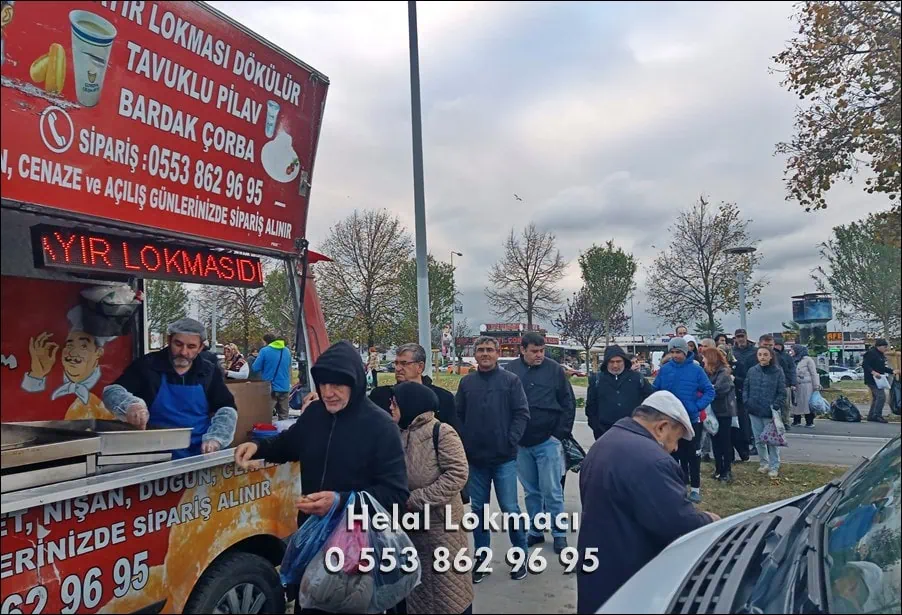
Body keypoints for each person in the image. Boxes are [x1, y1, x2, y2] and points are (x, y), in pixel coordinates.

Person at [576, 391, 719, 613]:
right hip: (629, 574)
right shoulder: (653, 461)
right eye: (677, 438)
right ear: (661, 428)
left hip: (599, 565)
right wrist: (709, 520)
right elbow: (676, 524)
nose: (675, 448)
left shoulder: (607, 441)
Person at [388, 382, 473, 615]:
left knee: (448, 592)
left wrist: (415, 499)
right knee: (417, 592)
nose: (391, 407)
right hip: (409, 529)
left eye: (395, 403)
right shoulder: (398, 432)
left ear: (411, 404)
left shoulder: (441, 432)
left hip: (440, 528)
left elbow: (457, 474)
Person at [103, 318, 237, 458]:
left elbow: (226, 408)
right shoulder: (147, 366)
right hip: (155, 453)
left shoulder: (208, 371)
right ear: (169, 340)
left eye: (191, 347)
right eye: (178, 344)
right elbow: (113, 391)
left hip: (200, 453)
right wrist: (130, 405)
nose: (183, 352)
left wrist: (216, 439)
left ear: (200, 348)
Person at [455, 336, 530, 582]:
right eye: (480, 350)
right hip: (476, 461)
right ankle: (483, 559)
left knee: (510, 509)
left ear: (498, 354)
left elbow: (521, 413)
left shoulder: (511, 381)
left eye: (489, 350)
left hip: (504, 459)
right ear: (474, 355)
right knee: (479, 511)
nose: (485, 353)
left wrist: (511, 439)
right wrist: (466, 444)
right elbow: (458, 417)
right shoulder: (466, 383)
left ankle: (520, 556)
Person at [505, 332, 575, 554]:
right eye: (534, 351)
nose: (539, 355)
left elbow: (568, 402)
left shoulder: (554, 370)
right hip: (521, 443)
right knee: (531, 492)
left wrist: (559, 435)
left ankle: (559, 534)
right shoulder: (510, 371)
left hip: (548, 441)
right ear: (522, 350)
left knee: (552, 490)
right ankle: (536, 530)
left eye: (542, 350)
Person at [22, 305, 117, 420]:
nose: (72, 352)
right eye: (69, 345)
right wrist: (36, 374)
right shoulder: (48, 378)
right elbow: (25, 412)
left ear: (98, 352)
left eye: (83, 346)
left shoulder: (108, 384)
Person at [653, 337, 715, 503]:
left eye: (678, 352)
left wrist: (696, 406)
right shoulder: (665, 370)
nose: (675, 355)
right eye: (672, 352)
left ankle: (695, 488)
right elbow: (655, 390)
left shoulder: (696, 370)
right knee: (672, 455)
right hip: (669, 421)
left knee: (692, 455)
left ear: (686, 352)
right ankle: (676, 487)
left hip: (690, 420)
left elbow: (709, 391)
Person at [369, 343, 458, 429]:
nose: (398, 368)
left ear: (420, 367)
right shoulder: (381, 396)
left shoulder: (443, 398)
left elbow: (455, 436)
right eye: (396, 363)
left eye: (404, 363)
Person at [585, 345, 654, 440]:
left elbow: (650, 403)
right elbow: (591, 407)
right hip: (605, 433)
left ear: (624, 361)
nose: (615, 365)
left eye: (618, 361)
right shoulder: (597, 380)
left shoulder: (637, 379)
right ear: (606, 362)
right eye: (611, 362)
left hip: (634, 432)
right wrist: (596, 427)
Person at [743, 346, 786, 478]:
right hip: (754, 409)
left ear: (771, 356)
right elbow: (746, 387)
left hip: (769, 412)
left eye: (765, 354)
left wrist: (776, 405)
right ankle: (764, 463)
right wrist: (747, 401)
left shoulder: (777, 372)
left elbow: (782, 392)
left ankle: (774, 465)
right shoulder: (752, 371)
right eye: (760, 354)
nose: (762, 357)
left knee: (772, 440)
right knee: (758, 439)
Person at [700, 347, 737, 482]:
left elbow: (718, 390)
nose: (702, 360)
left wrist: (706, 390)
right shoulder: (707, 372)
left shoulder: (724, 373)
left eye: (704, 357)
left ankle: (726, 470)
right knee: (715, 441)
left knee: (725, 441)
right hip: (712, 411)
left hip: (724, 411)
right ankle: (718, 468)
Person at [252, 333, 292, 420]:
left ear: (266, 341)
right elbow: (289, 366)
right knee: (284, 415)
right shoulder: (287, 351)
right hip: (284, 386)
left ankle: (267, 433)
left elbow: (255, 367)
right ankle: (283, 432)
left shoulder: (264, 351)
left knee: (266, 416)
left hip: (270, 387)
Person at [732, 328, 758, 459]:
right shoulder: (733, 352)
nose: (740, 339)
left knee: (752, 416)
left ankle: (755, 442)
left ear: (746, 337)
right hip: (737, 386)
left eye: (742, 336)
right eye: (738, 337)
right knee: (742, 418)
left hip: (752, 386)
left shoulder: (754, 352)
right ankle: (745, 441)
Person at [862, 339, 898, 423]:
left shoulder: (880, 355)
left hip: (879, 379)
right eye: (885, 347)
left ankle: (872, 415)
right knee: (881, 397)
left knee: (876, 398)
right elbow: (865, 364)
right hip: (872, 379)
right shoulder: (871, 353)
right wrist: (873, 372)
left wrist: (892, 371)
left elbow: (881, 367)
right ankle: (877, 415)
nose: (886, 349)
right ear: (879, 346)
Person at [772, 337, 799, 431]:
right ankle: (775, 422)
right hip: (773, 383)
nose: (777, 347)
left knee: (786, 405)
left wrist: (793, 382)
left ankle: (786, 422)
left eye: (779, 345)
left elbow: (792, 370)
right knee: (774, 404)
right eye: (776, 345)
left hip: (785, 383)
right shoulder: (771, 355)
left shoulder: (787, 357)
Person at [791, 344, 819, 428]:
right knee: (796, 404)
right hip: (796, 385)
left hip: (807, 385)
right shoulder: (792, 359)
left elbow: (813, 373)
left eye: (793, 350)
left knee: (807, 404)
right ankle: (796, 420)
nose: (791, 351)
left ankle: (809, 421)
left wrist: (816, 385)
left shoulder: (808, 360)